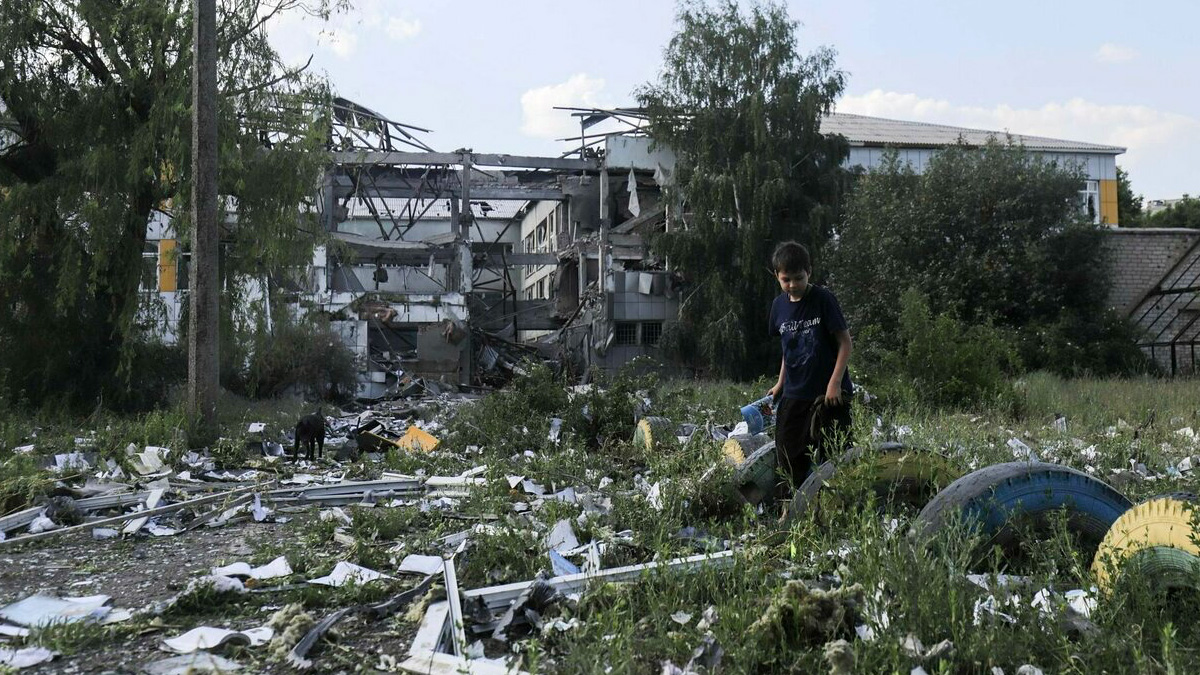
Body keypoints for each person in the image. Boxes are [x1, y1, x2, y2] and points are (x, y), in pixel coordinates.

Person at [766, 241, 853, 494]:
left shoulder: (823, 299)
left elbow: (845, 343)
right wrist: (780, 383)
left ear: (809, 272)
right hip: (795, 393)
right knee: (787, 454)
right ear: (777, 276)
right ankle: (792, 508)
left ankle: (835, 505)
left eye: (798, 278)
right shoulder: (778, 306)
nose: (793, 284)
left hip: (828, 396)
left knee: (835, 455)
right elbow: (788, 348)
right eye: (786, 279)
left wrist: (834, 383)